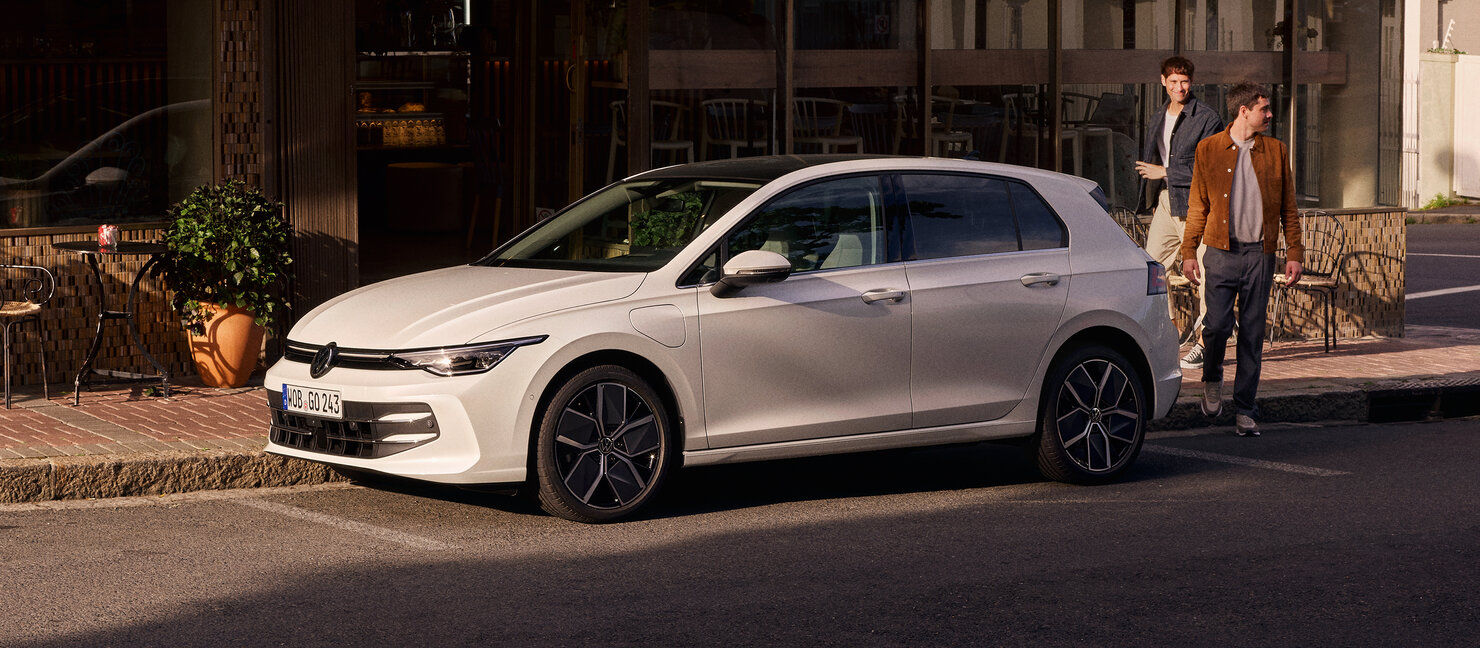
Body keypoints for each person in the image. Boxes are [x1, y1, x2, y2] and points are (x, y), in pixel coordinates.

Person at [1180, 82, 1304, 437]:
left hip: (1259, 254)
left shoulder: (1276, 151)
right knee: (1216, 325)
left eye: (1268, 108)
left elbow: (1289, 209)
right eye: (1263, 109)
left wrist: (1293, 253)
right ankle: (1213, 377)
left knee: (1252, 332)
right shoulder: (1209, 149)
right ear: (1243, 111)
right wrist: (1189, 251)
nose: (1269, 114)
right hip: (1220, 251)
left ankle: (1246, 409)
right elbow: (1197, 206)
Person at [1135, 56, 1224, 371]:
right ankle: (1170, 331)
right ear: (1163, 81)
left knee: (1203, 274)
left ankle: (1205, 342)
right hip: (1167, 203)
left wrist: (1166, 172)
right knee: (1152, 270)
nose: (1179, 87)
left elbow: (1210, 167)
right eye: (1173, 81)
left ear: (1192, 81)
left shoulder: (1206, 118)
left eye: (1184, 81)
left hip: (1197, 206)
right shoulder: (1158, 115)